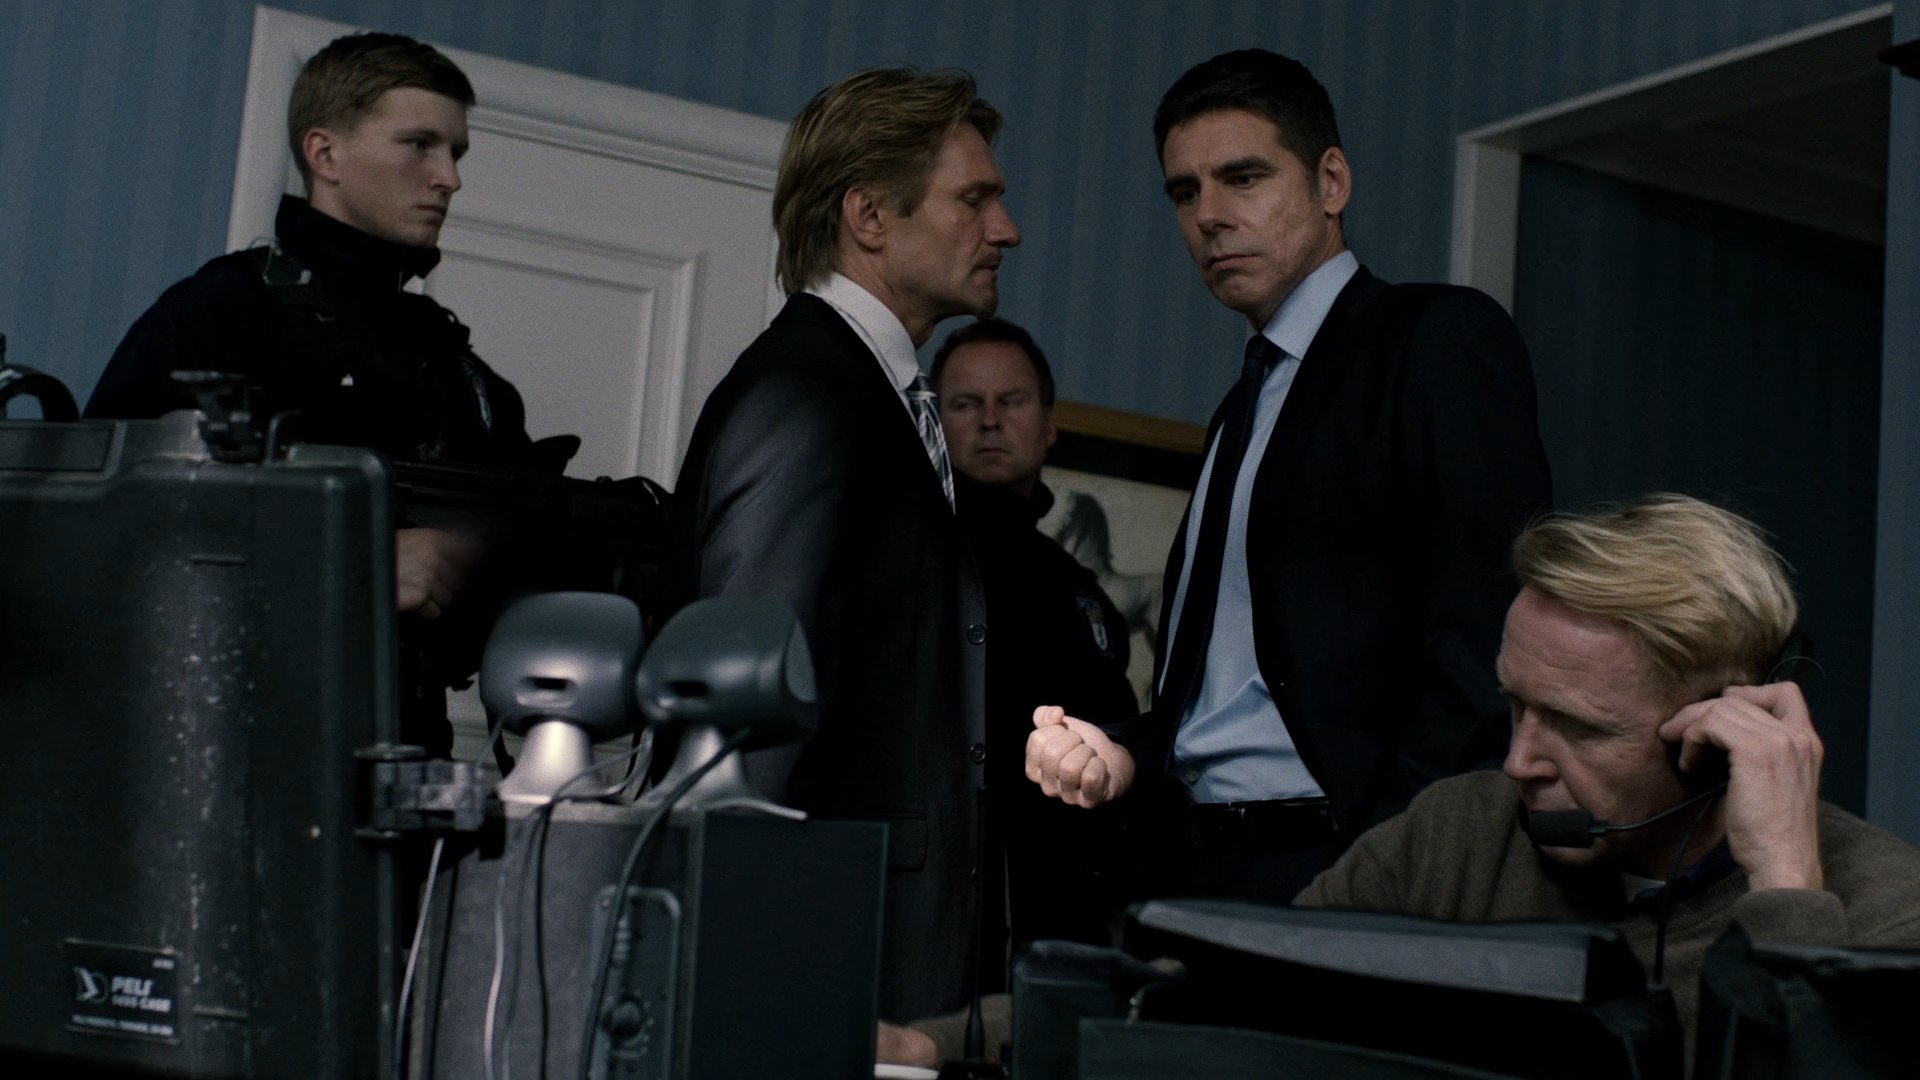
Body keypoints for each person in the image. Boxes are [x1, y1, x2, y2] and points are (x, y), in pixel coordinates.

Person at [1026, 48, 1553, 903]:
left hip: (1346, 867)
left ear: (1331, 181)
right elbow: (1229, 698)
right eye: (1185, 192)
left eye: (1243, 178)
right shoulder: (1243, 407)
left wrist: (1389, 860)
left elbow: (1490, 639)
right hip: (1190, 867)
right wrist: (1120, 748)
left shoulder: (1434, 338)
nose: (1209, 216)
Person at [1294, 493, 1920, 1050]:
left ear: (1721, 726)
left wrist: (1785, 887)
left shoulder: (1894, 910)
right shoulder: (1452, 833)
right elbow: (1264, 1011)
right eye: (1517, 705)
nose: (1519, 763)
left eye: (1579, 728)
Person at [667, 67, 1020, 1026]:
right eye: (974, 199)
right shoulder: (806, 397)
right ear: (869, 216)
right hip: (825, 972)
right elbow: (748, 728)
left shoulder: (876, 394)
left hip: (890, 964)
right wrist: (760, 1007)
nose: (1006, 229)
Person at [85, 32, 550, 756]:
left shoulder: (455, 366)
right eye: (419, 145)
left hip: (406, 759)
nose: (449, 178)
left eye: (456, 152)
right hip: (216, 751)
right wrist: (361, 566)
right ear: (325, 154)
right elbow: (106, 544)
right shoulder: (220, 313)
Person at [933, 318, 1138, 980]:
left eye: (1011, 401)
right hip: (941, 915)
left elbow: (1122, 743)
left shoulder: (1077, 589)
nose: (990, 421)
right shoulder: (910, 563)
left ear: (1048, 424)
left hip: (1065, 919)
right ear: (936, 424)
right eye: (966, 404)